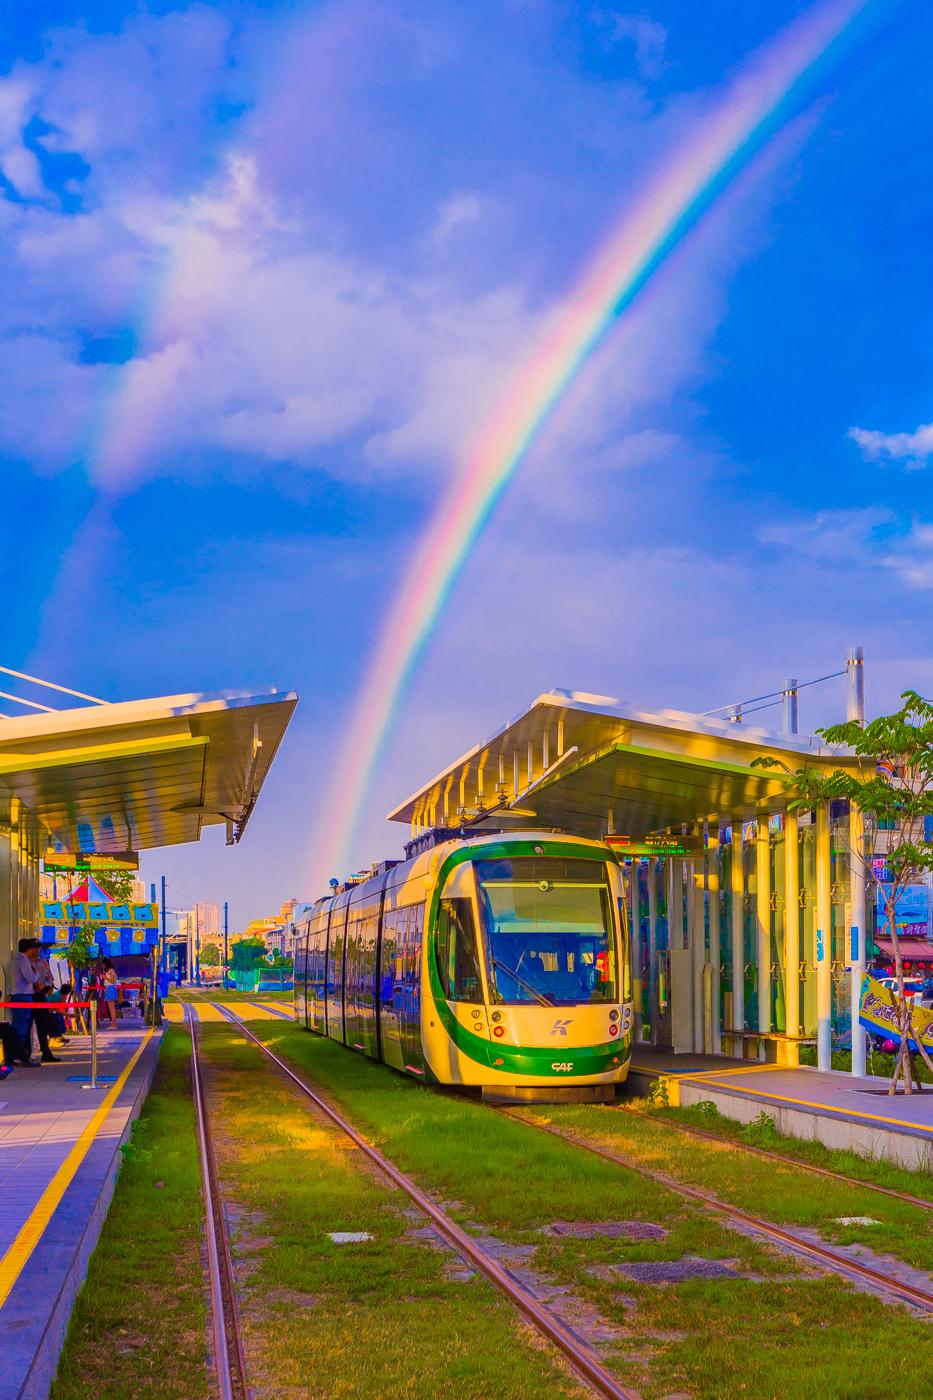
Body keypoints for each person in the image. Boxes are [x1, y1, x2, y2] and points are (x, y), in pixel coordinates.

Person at [10, 939, 59, 1063]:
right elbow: (30, 978)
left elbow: (50, 978)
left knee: (43, 1024)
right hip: (29, 994)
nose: (37, 950)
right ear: (29, 949)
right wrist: (36, 979)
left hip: (40, 995)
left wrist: (44, 985)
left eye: (38, 948)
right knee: (26, 1025)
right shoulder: (25, 961)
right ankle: (26, 1053)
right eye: (35, 947)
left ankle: (46, 1051)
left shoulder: (42, 962)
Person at [101, 958, 119, 1028]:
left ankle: (114, 1024)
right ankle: (113, 1024)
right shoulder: (109, 971)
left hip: (110, 988)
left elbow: (112, 981)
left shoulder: (111, 971)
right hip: (109, 988)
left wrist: (105, 977)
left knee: (112, 1008)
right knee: (111, 1008)